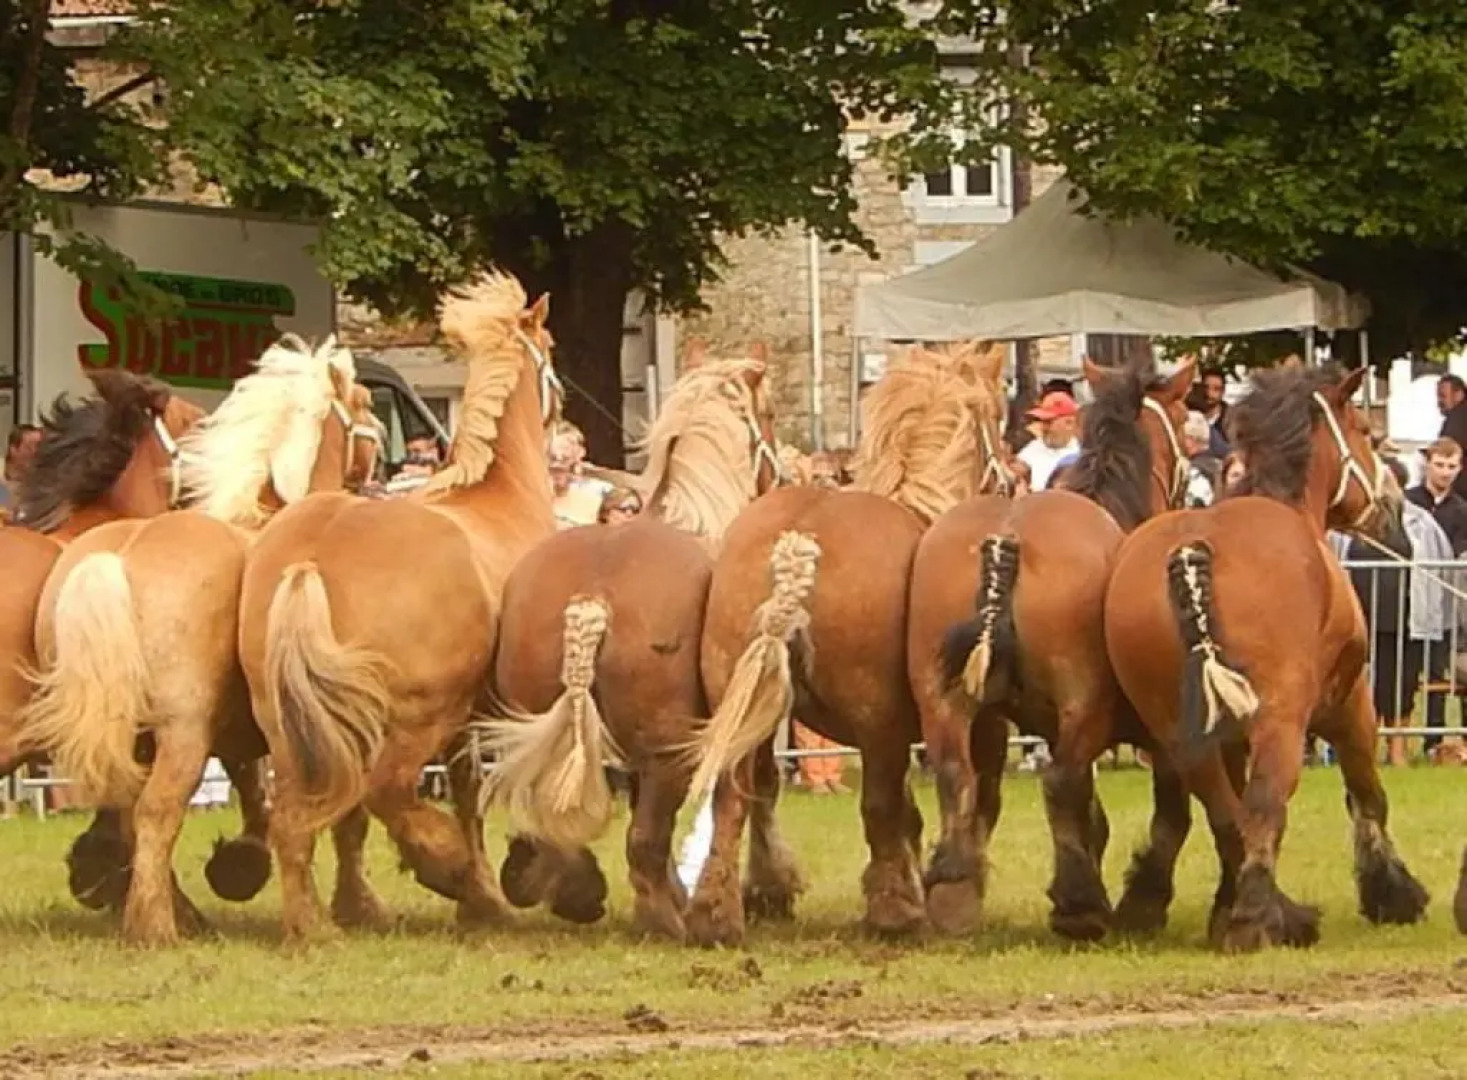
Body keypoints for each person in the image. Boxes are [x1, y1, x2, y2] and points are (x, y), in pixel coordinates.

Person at [1405, 437, 1467, 554]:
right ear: (1427, 464)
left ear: (1459, 468)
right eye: (1439, 465)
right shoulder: (1406, 501)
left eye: (1452, 467)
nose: (1445, 473)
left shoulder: (1463, 511)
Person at [1016, 390, 1080, 491]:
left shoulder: (1082, 455)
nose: (1043, 428)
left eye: (1048, 422)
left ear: (1069, 423)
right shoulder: (1033, 448)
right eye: (1042, 422)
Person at [0, 424, 42, 523]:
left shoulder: (43, 482)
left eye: (39, 447)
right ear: (13, 450)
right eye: (29, 447)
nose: (35, 452)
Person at [1436, 374, 1467, 499]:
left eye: (1443, 396)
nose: (1439, 402)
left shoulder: (1457, 419)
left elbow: (1446, 450)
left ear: (1459, 395)